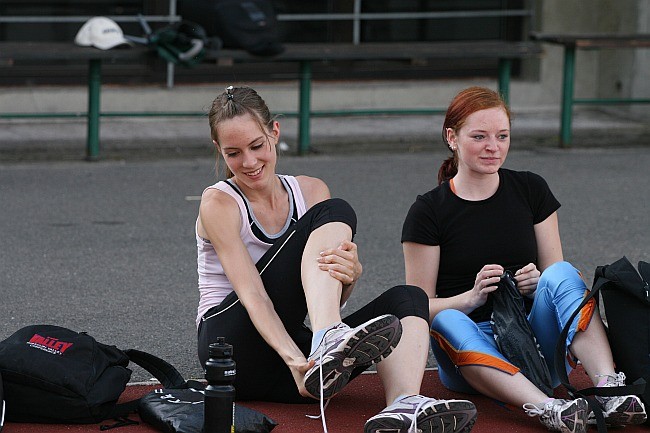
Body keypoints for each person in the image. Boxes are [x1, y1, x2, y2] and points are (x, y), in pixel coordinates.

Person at [195, 85, 478, 433]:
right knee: (335, 210)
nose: (250, 162)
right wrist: (297, 359)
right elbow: (253, 295)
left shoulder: (310, 191)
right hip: (230, 352)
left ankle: (403, 405)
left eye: (257, 146)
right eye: (234, 153)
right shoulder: (218, 203)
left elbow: (321, 299)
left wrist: (350, 278)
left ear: (275, 132)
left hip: (294, 371)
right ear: (218, 150)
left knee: (409, 298)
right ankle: (327, 338)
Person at [401, 86, 647, 433]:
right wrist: (469, 298)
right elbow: (416, 307)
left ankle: (609, 389)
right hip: (470, 355)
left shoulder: (531, 189)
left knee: (561, 273)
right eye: (480, 136)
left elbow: (557, 278)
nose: (493, 147)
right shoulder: (428, 211)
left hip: (534, 341)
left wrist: (535, 284)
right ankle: (548, 408)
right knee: (447, 320)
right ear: (452, 138)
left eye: (502, 136)